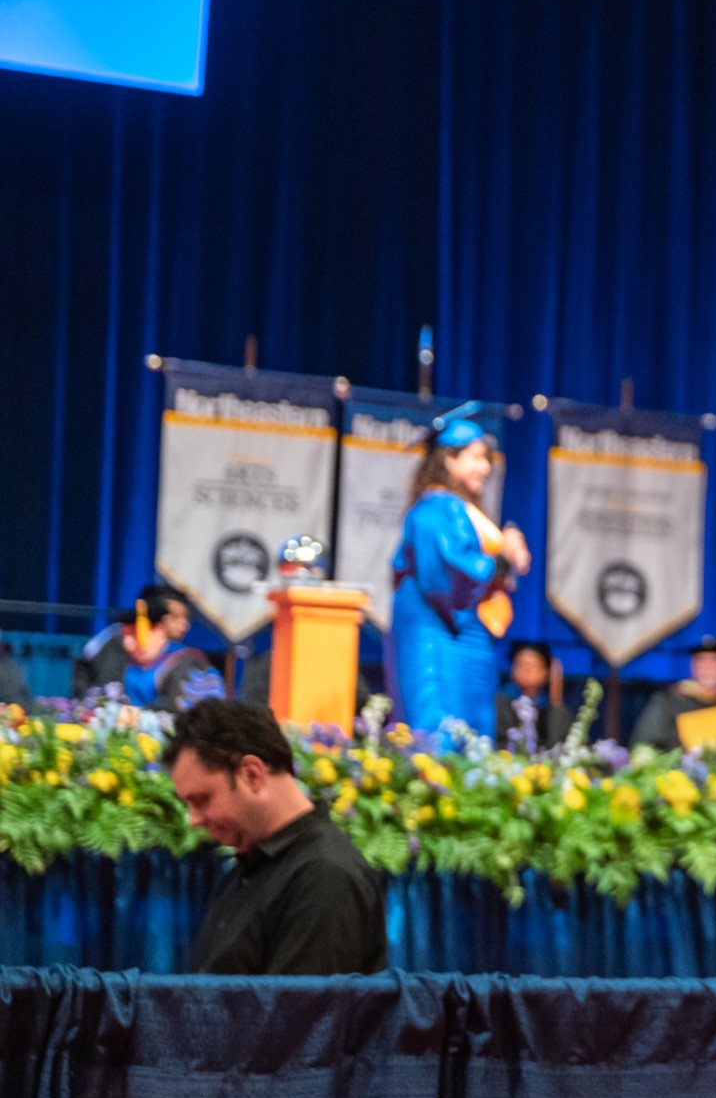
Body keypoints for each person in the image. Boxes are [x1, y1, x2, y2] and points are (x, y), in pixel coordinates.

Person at [169, 699, 388, 975]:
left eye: (202, 799)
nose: (194, 819)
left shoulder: (324, 874)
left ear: (252, 774)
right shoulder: (252, 866)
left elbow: (303, 1014)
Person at [388, 403, 529, 738]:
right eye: (476, 457)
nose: (485, 467)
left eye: (486, 459)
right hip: (437, 634)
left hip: (468, 635)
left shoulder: (465, 512)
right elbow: (449, 574)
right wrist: (503, 557)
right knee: (440, 732)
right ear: (449, 460)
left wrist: (506, 557)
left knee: (473, 735)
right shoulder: (434, 510)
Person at [71, 583, 223, 708]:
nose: (184, 624)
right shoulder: (116, 642)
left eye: (186, 617)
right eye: (174, 616)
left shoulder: (187, 660)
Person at [630, 637, 716, 750]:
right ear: (693, 666)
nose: (708, 668)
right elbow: (644, 744)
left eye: (714, 662)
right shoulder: (668, 701)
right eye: (702, 662)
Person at [494, 640, 572, 751]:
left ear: (547, 672)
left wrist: (556, 698)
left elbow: (557, 744)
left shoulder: (552, 710)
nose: (526, 670)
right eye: (520, 664)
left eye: (533, 666)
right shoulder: (502, 705)